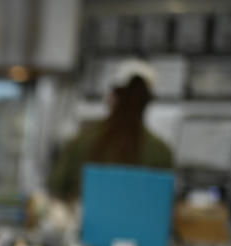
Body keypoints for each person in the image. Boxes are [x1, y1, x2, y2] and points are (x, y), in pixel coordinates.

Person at [47, 59, 174, 201]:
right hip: (136, 223)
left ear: (111, 97)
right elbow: (164, 202)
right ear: (148, 102)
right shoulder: (161, 152)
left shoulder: (81, 141)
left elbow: (55, 187)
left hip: (85, 222)